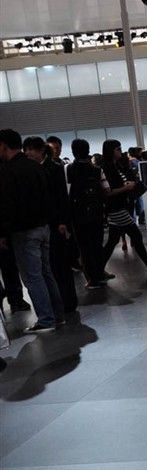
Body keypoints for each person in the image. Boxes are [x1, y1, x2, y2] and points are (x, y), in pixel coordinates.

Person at [0, 129, 65, 333]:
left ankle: (46, 319)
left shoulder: (9, 171)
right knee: (46, 273)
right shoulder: (36, 166)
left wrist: (3, 232)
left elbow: (8, 205)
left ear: (4, 145)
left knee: (32, 277)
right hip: (43, 227)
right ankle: (58, 315)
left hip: (24, 231)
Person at [22, 136, 78, 313]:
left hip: (56, 222)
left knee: (60, 263)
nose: (28, 153)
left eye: (31, 149)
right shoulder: (32, 169)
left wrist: (63, 222)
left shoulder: (54, 168)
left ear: (41, 150)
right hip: (43, 222)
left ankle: (68, 302)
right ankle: (58, 302)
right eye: (26, 149)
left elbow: (62, 197)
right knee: (49, 266)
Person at [99, 140, 147, 272]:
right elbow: (108, 192)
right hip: (116, 208)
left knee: (113, 240)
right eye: (118, 149)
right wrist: (126, 187)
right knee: (136, 235)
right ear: (111, 151)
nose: (120, 151)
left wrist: (126, 185)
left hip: (119, 206)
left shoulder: (115, 165)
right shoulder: (107, 168)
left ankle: (98, 271)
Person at [67, 139, 107, 289]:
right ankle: (100, 274)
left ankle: (92, 279)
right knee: (97, 245)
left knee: (84, 248)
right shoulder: (97, 170)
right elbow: (106, 189)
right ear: (88, 150)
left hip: (78, 214)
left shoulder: (68, 169)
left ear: (73, 152)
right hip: (97, 212)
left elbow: (67, 193)